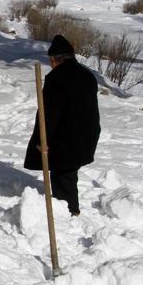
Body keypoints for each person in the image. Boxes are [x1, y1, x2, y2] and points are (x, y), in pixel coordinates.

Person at [24, 34, 101, 217]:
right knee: (68, 173)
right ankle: (69, 209)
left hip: (66, 138)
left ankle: (68, 213)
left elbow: (48, 114)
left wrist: (42, 139)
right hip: (88, 134)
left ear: (53, 60)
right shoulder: (87, 75)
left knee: (62, 175)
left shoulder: (56, 78)